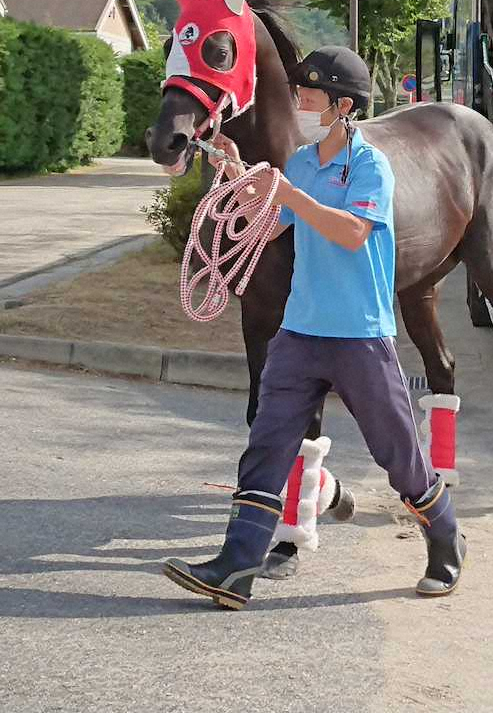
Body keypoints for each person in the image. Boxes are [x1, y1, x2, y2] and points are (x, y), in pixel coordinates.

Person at [163, 46, 466, 609]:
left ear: (342, 106)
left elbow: (352, 232)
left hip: (359, 336)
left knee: (398, 454)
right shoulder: (301, 163)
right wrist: (236, 170)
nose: (299, 105)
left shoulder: (370, 165)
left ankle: (447, 539)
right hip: (300, 334)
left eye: (309, 97)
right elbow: (269, 223)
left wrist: (290, 194)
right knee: (267, 446)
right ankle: (237, 566)